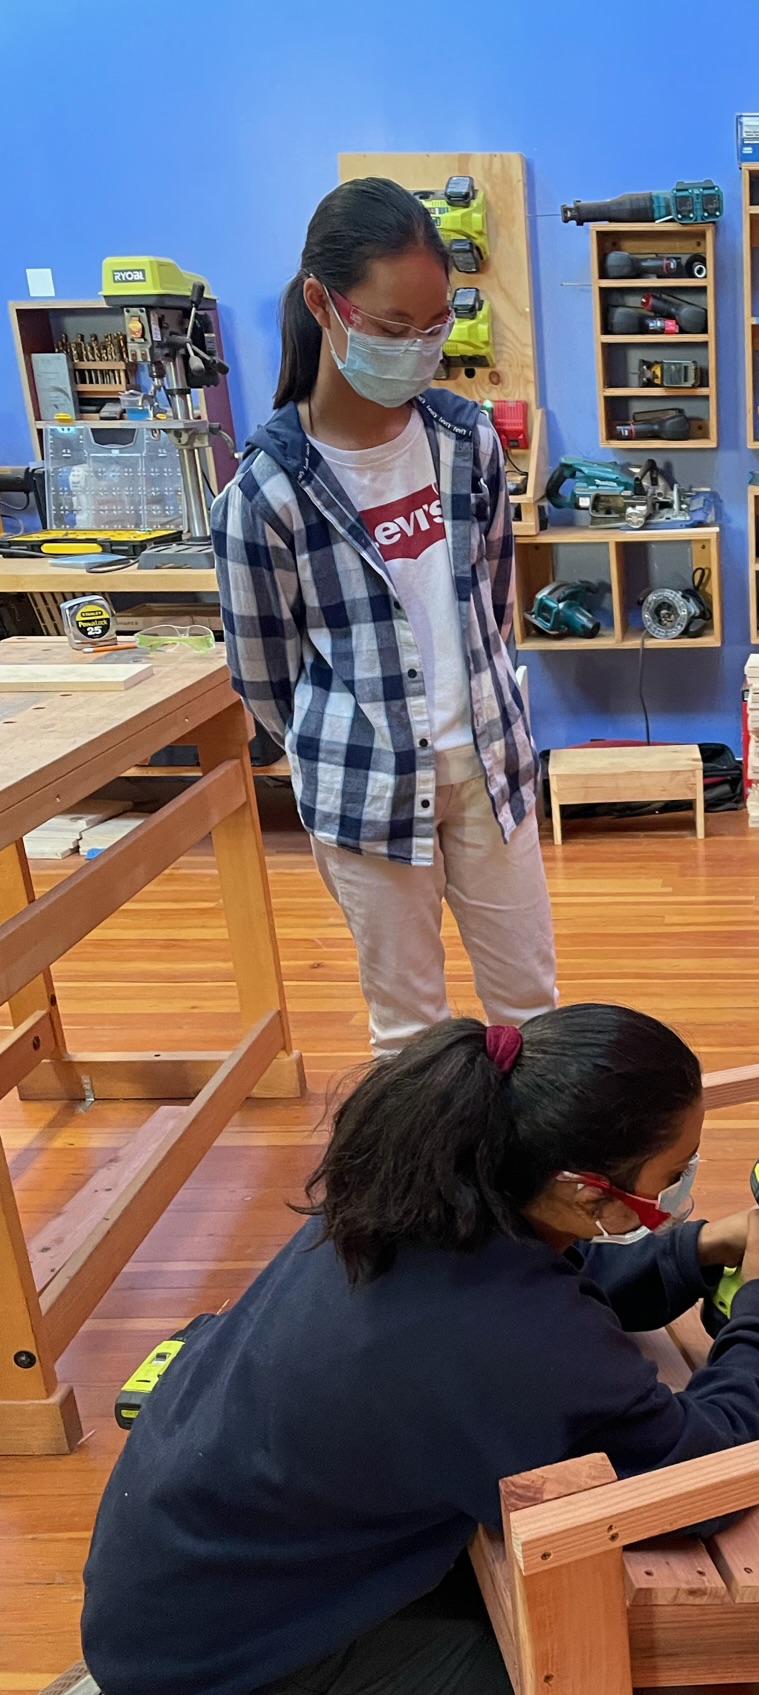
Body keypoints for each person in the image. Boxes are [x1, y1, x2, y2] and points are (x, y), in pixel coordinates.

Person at [31, 1005, 759, 1695]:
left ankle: (180, 1678)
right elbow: (700, 1474)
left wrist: (701, 1245)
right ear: (581, 1187)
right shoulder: (505, 1339)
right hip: (214, 1655)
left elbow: (570, 1280)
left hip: (180, 1563)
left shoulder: (406, 1194)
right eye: (672, 1175)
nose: (679, 1189)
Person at [213, 178, 557, 1057]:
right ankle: (430, 1195)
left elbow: (490, 593)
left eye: (434, 328)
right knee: (411, 1035)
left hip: (488, 759)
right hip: (366, 788)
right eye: (393, 330)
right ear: (324, 305)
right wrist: (350, 743)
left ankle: (539, 1189)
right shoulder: (266, 491)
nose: (418, 351)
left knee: (532, 1008)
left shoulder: (463, 439)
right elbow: (264, 679)